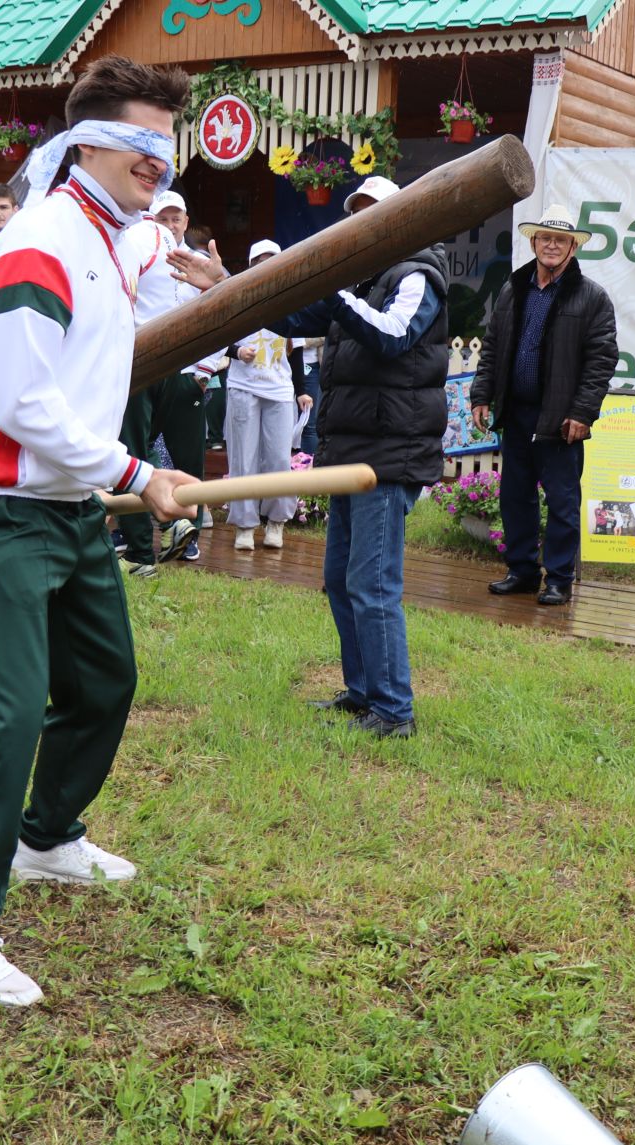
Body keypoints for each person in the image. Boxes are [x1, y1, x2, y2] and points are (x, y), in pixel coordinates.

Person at [0, 55, 205, 1006]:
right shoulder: (41, 239)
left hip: (71, 501)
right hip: (4, 504)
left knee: (105, 679)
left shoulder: (110, 235)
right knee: (10, 712)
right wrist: (138, 473)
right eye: (144, 141)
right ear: (90, 142)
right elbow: (26, 403)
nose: (159, 161)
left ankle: (47, 836)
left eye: (169, 144)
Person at [249, 174, 448, 739]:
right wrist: (231, 285)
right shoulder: (364, 278)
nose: (361, 221)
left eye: (372, 212)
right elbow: (293, 317)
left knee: (372, 584)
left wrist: (334, 286)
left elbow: (390, 335)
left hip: (387, 457)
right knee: (340, 579)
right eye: (356, 212)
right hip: (352, 452)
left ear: (400, 217)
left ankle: (393, 711)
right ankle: (363, 693)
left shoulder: (417, 274)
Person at [469, 203, 618, 606]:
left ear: (573, 248)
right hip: (516, 413)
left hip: (561, 418)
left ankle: (559, 579)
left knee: (563, 500)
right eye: (545, 238)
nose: (552, 245)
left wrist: (583, 413)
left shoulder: (592, 297)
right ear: (534, 241)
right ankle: (521, 570)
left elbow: (601, 361)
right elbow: (493, 348)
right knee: (514, 496)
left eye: (561, 240)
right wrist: (482, 395)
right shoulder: (512, 289)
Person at [114, 189, 214, 571]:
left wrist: (204, 370)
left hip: (143, 363)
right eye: (165, 216)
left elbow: (120, 289)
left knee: (133, 453)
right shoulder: (164, 244)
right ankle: (175, 523)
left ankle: (143, 550)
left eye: (177, 217)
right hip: (169, 365)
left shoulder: (139, 236)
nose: (171, 223)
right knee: (143, 454)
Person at [223, 239, 308, 552]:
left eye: (272, 259)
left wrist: (301, 391)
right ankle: (245, 526)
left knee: (277, 458)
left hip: (280, 388)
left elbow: (295, 350)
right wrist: (237, 350)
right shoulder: (237, 296)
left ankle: (276, 522)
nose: (266, 264)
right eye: (260, 260)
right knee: (243, 458)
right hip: (243, 386)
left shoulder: (290, 299)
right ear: (251, 264)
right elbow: (220, 339)